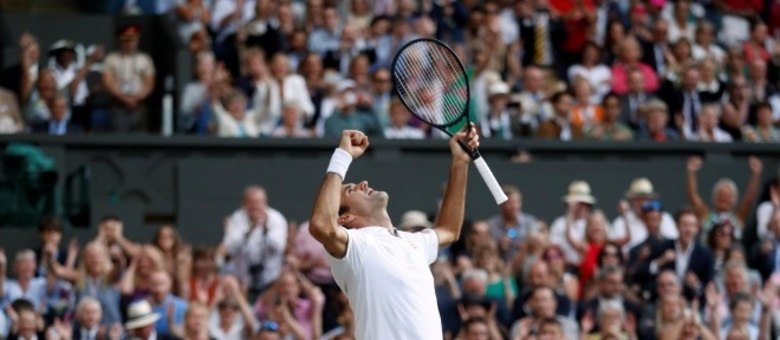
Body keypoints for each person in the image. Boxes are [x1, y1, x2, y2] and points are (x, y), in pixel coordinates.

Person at [308, 126, 478, 339]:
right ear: (345, 218)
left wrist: (460, 162)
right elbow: (321, 225)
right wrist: (342, 156)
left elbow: (449, 230)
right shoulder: (355, 246)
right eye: (351, 190)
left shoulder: (413, 242)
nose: (364, 183)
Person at [222, 185, 287, 297]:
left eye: (258, 202)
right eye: (252, 203)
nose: (255, 207)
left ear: (265, 202)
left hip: (271, 281)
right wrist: (248, 232)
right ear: (244, 203)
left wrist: (265, 230)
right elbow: (230, 249)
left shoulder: (276, 219)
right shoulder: (236, 219)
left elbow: (278, 247)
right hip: (243, 281)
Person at [102, 24, 156, 132]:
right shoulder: (111, 58)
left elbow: (149, 83)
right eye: (127, 38)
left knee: (140, 137)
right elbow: (107, 82)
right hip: (118, 105)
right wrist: (124, 98)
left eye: (133, 39)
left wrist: (136, 98)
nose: (130, 42)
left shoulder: (144, 59)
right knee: (119, 137)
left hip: (138, 104)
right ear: (120, 40)